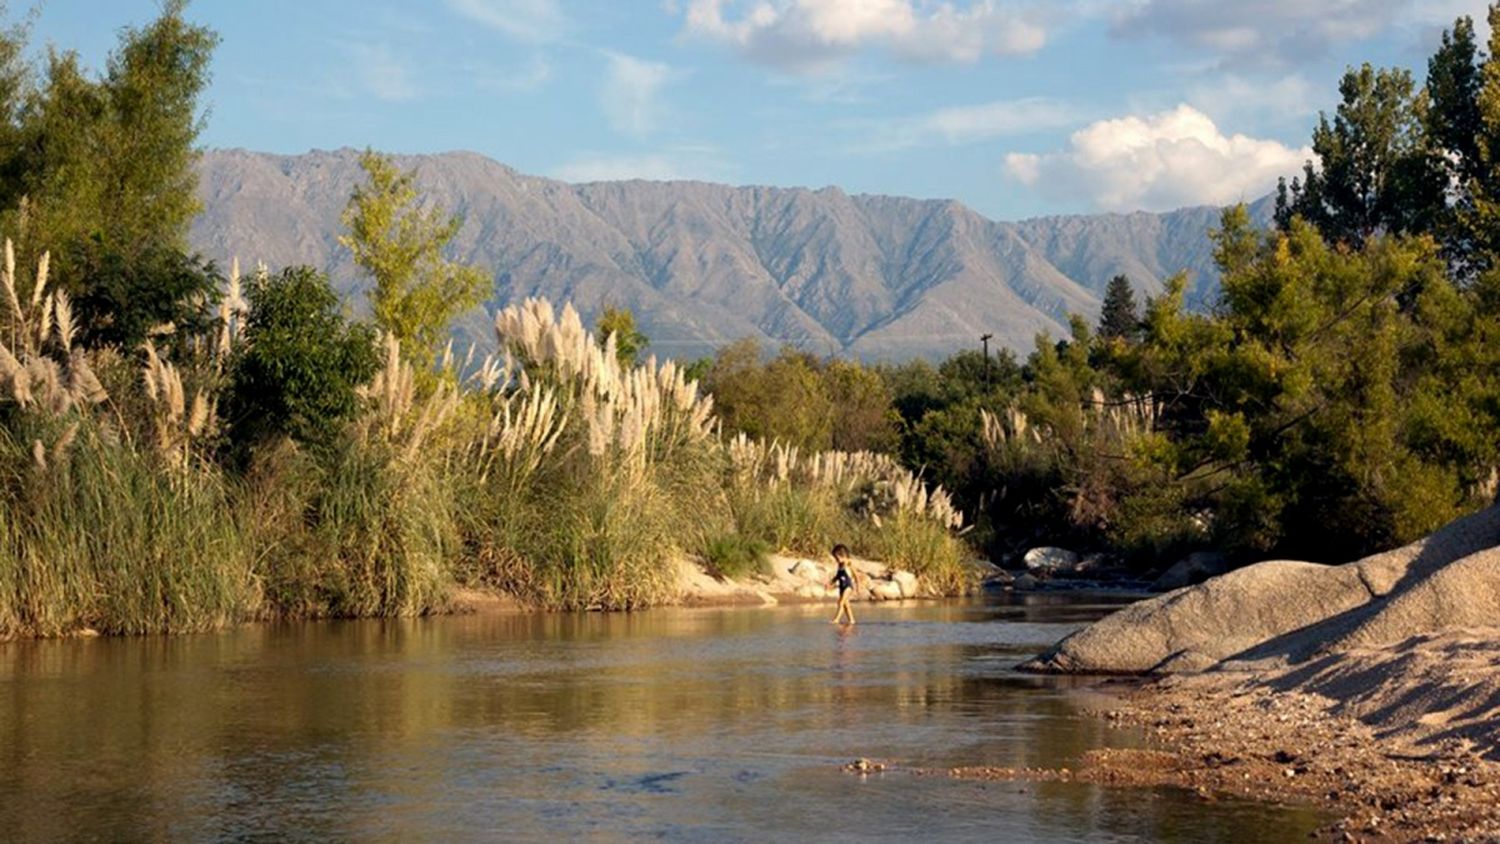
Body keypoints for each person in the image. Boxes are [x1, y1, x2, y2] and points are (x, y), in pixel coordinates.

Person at [829, 544, 859, 625]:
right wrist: (831, 582)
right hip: (842, 587)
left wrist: (857, 587)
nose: (836, 560)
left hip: (848, 586)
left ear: (843, 555)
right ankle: (852, 620)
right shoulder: (840, 565)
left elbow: (856, 576)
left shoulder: (849, 564)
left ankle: (836, 619)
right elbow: (838, 576)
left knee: (841, 602)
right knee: (846, 605)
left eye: (837, 558)